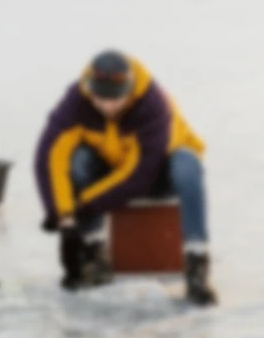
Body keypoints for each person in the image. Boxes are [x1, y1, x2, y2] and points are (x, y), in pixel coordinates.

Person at [34, 50, 218, 306]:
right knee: (79, 160)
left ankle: (196, 262)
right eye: (100, 100)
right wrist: (63, 217)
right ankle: (93, 252)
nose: (108, 107)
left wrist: (81, 206)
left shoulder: (152, 104)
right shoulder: (76, 101)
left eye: (115, 100)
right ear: (90, 90)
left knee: (188, 166)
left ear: (129, 92)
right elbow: (50, 155)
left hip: (158, 169)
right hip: (113, 168)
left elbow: (138, 176)